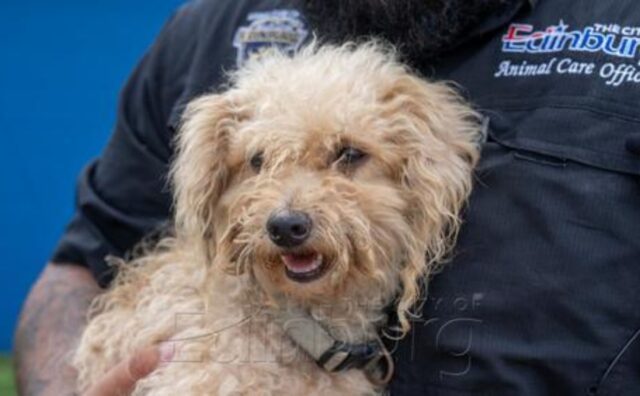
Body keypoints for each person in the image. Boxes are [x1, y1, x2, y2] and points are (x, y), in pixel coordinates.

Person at [14, 0, 640, 394]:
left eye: (347, 157)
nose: (287, 209)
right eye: (258, 163)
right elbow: (80, 265)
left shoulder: (620, 26)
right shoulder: (209, 30)